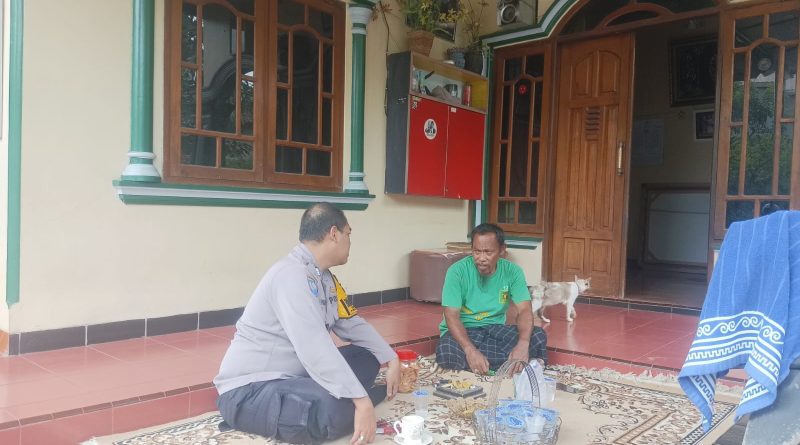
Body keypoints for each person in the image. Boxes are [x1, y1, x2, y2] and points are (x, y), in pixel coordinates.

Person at [214, 202, 400, 445]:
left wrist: (391, 357)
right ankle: (359, 401)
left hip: (297, 375)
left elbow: (350, 322)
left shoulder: (325, 278)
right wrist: (362, 400)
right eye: (348, 234)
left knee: (367, 357)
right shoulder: (290, 275)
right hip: (252, 389)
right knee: (328, 408)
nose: (350, 241)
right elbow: (314, 347)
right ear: (334, 234)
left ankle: (344, 399)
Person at [435, 223, 547, 373]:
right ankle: (513, 364)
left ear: (502, 250)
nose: (481, 258)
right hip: (465, 332)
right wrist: (470, 350)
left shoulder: (513, 272)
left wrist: (523, 344)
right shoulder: (456, 271)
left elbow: (525, 310)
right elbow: (451, 316)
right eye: (477, 251)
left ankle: (486, 364)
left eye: (488, 252)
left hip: (495, 330)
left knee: (537, 336)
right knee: (447, 350)